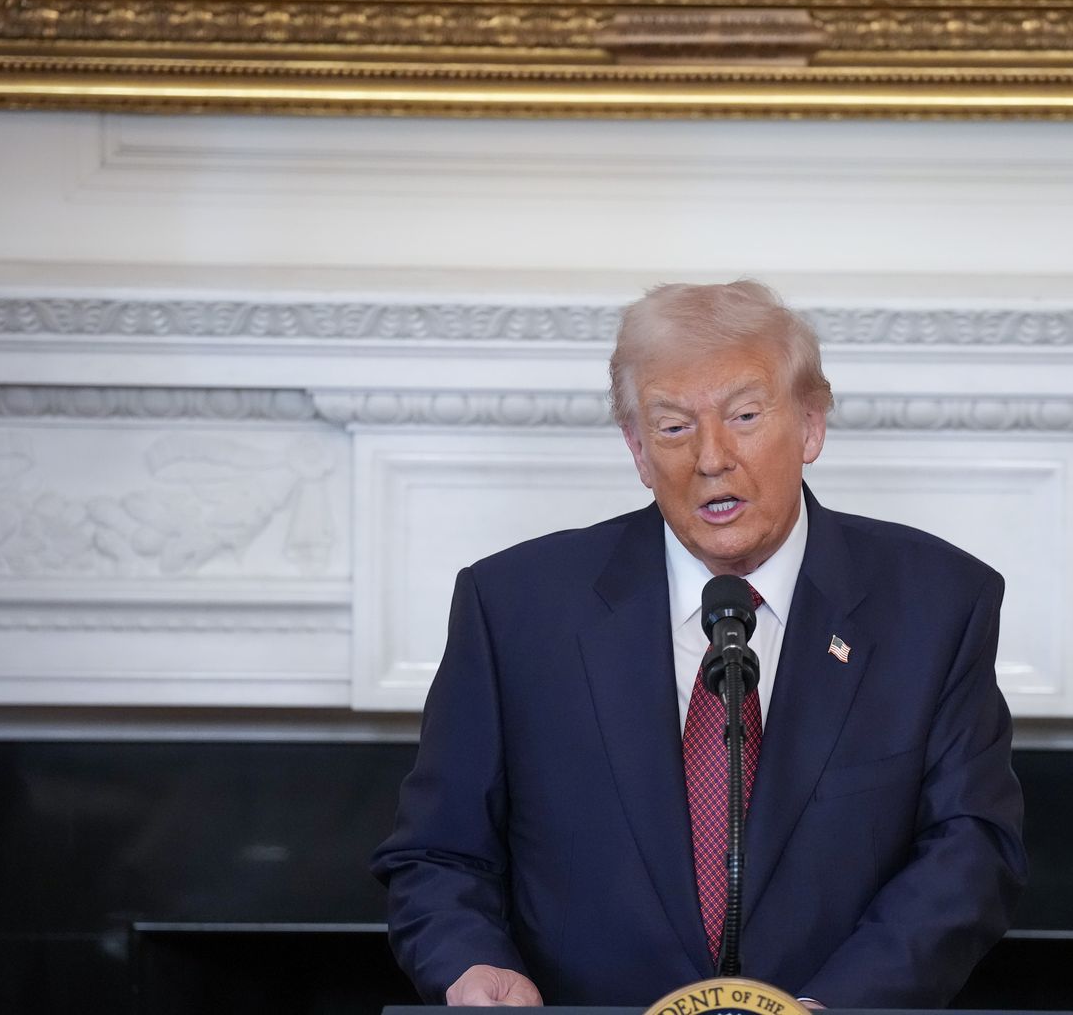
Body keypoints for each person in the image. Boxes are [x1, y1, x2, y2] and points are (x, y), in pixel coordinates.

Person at [372, 280, 1026, 1007]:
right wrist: (470, 965)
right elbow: (437, 852)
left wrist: (828, 1009)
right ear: (639, 450)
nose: (712, 458)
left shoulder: (936, 604)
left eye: (745, 416)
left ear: (811, 426)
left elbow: (969, 850)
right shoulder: (516, 607)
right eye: (675, 427)